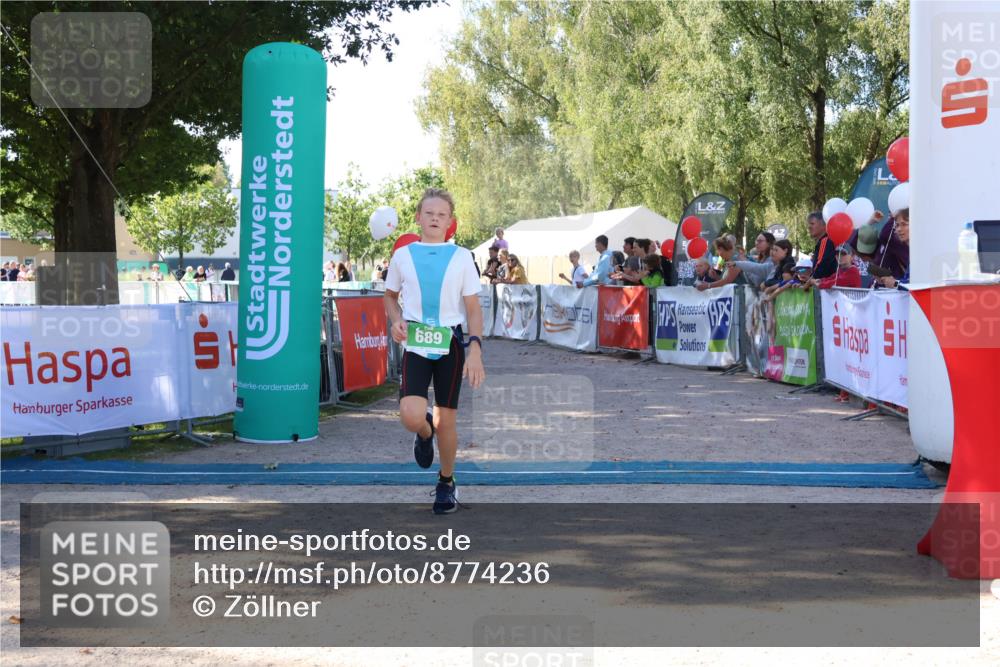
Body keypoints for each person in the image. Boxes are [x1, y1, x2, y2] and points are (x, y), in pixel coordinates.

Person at [384, 187, 485, 514]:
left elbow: (473, 308)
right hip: (414, 342)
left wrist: (476, 349)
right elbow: (389, 296)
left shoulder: (462, 257)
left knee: (448, 421)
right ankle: (423, 432)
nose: (435, 219)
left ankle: (446, 481)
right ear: (418, 217)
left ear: (450, 221)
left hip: (450, 345)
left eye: (441, 215)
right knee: (411, 416)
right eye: (429, 213)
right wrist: (396, 320)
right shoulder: (403, 255)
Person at [876, 208, 910, 289]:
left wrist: (894, 283)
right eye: (897, 225)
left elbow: (917, 286)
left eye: (904, 224)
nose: (898, 229)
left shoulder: (922, 253)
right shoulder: (913, 253)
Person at [807, 211, 837, 280]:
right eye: (808, 224)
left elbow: (821, 266)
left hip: (824, 287)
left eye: (812, 223)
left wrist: (809, 282)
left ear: (824, 225)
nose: (809, 227)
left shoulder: (825, 240)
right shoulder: (824, 241)